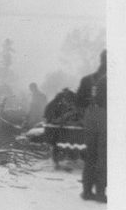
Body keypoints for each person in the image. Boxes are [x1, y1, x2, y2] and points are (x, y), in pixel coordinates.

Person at [76, 49, 106, 201]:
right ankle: (100, 193)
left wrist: (87, 118)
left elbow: (79, 103)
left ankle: (87, 191)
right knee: (104, 156)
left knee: (91, 156)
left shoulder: (87, 79)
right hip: (106, 119)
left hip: (90, 119)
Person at [43, 88, 80, 169]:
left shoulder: (60, 102)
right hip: (55, 127)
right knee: (58, 144)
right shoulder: (56, 104)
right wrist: (60, 120)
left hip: (59, 127)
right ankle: (58, 162)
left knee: (60, 144)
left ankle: (61, 161)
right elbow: (51, 117)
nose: (68, 102)